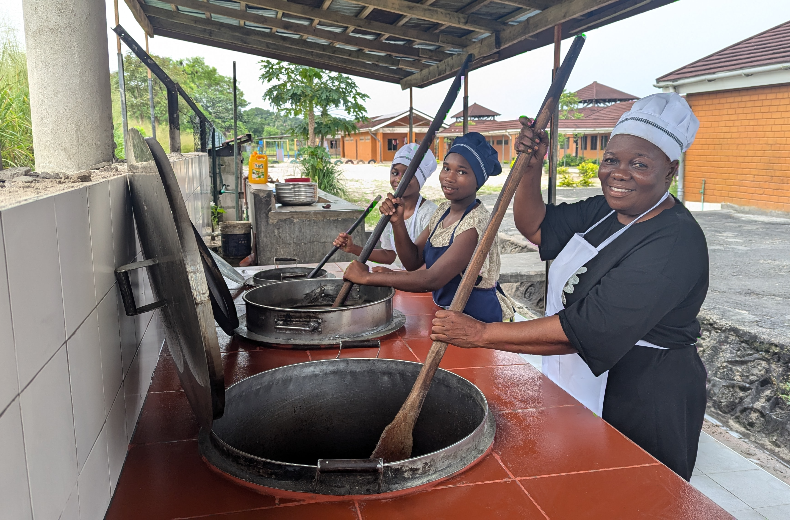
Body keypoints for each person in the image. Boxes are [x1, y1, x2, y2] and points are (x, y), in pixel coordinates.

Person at [429, 93, 708, 480]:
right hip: (579, 371)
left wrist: (481, 333)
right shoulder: (605, 210)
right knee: (576, 475)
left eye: (639, 164)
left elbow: (585, 330)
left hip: (643, 392)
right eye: (611, 159)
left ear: (670, 170)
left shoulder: (673, 243)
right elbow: (537, 227)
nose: (619, 172)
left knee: (628, 489)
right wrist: (531, 167)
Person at [343, 132, 513, 323]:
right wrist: (398, 223)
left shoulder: (475, 223)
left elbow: (432, 279)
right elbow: (413, 261)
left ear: (478, 181)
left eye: (462, 172)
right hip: (448, 312)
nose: (449, 177)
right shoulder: (443, 211)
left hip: (477, 318)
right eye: (446, 168)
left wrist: (367, 278)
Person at [333, 144, 439, 268]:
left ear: (421, 179)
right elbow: (390, 255)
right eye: (395, 173)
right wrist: (353, 248)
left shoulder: (430, 214)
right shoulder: (390, 210)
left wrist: (392, 276)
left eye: (407, 175)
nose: (399, 179)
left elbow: (431, 266)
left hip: (419, 284)